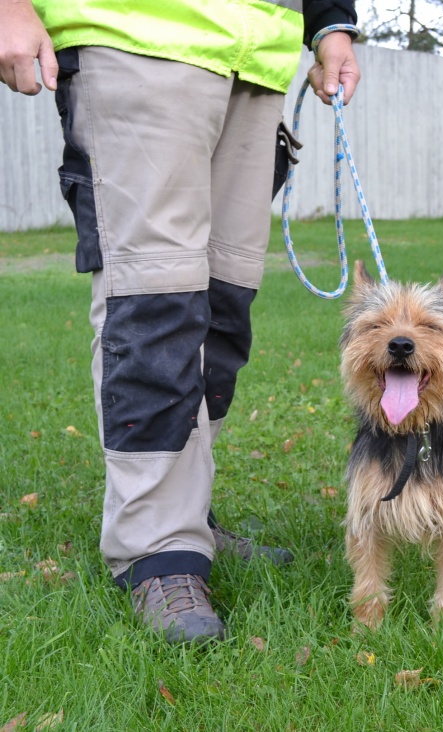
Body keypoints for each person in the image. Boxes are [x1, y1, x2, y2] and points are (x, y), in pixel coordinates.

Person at [0, 0, 361, 644]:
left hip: (255, 61)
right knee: (155, 303)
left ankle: (185, 512)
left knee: (222, 308)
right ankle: (158, 547)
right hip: (136, 35)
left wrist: (331, 23)